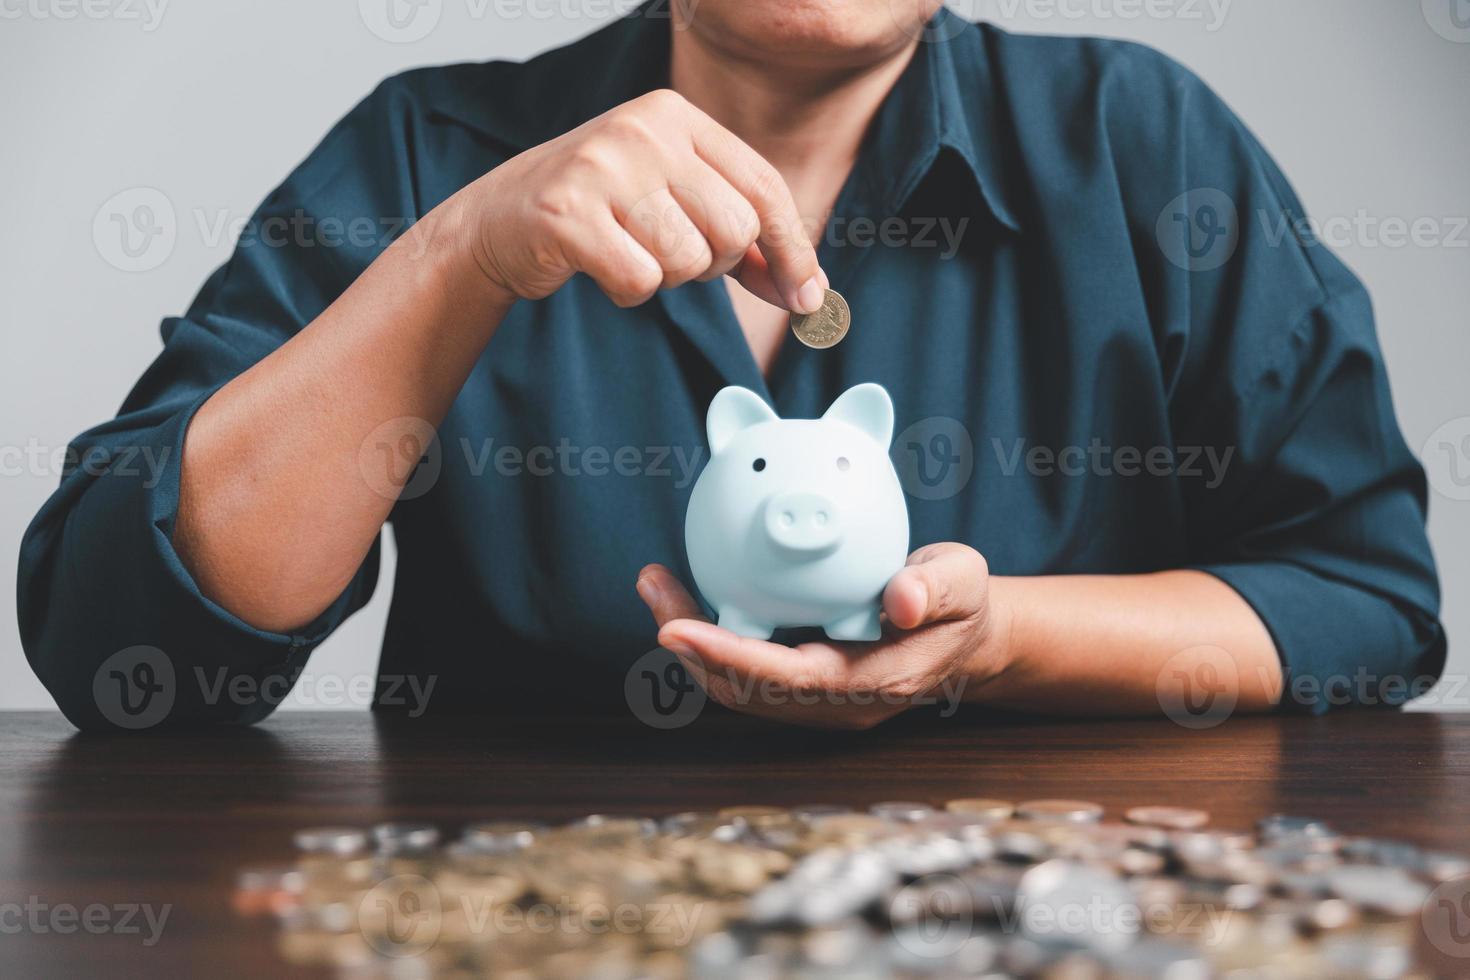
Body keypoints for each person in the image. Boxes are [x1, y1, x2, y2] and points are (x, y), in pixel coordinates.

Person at [19, 1, 1443, 731]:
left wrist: (998, 638)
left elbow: (1359, 599)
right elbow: (124, 652)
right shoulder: (431, 157)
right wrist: (457, 262)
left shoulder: (1139, 142)